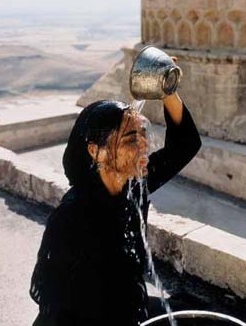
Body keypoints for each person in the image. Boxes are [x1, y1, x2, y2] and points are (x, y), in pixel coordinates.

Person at [29, 91, 201, 325]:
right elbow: (52, 299)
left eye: (143, 133)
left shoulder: (133, 186)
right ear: (94, 150)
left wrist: (168, 91)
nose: (144, 144)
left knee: (197, 313)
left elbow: (185, 144)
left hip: (128, 307)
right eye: (130, 138)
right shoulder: (71, 217)